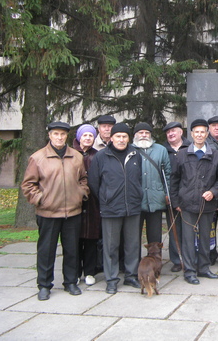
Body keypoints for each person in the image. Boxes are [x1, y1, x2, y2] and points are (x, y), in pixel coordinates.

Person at [21, 121, 89, 301]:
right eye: (56, 134)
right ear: (50, 135)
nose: (59, 137)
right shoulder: (38, 158)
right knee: (46, 251)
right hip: (48, 213)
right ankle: (44, 285)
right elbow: (28, 185)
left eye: (62, 134)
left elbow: (83, 179)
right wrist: (41, 200)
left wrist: (81, 194)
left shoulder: (76, 156)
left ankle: (71, 282)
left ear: (67, 136)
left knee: (72, 250)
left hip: (72, 212)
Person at [170, 119, 218, 285]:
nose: (199, 135)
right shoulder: (182, 154)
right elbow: (174, 180)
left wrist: (214, 192)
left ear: (207, 134)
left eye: (203, 132)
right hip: (187, 204)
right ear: (191, 134)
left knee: (205, 238)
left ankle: (203, 268)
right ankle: (189, 271)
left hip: (206, 204)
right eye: (196, 132)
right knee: (188, 240)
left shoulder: (215, 155)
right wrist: (176, 202)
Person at [88, 123, 143, 294]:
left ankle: (131, 275)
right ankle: (111, 279)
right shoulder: (101, 156)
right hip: (111, 208)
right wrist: (106, 197)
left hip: (133, 206)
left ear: (129, 138)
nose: (121, 139)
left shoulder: (135, 154)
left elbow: (139, 178)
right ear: (111, 138)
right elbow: (94, 182)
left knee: (132, 245)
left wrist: (137, 195)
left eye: (124, 136)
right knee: (111, 246)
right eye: (118, 136)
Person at [132, 122, 171, 245]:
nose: (144, 135)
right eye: (141, 132)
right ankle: (134, 258)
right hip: (135, 200)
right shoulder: (129, 150)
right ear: (135, 135)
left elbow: (168, 174)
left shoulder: (161, 150)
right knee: (133, 238)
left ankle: (154, 256)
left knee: (155, 238)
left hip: (156, 199)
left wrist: (167, 193)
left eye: (147, 133)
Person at [73, 124, 100, 286]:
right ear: (79, 137)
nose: (88, 138)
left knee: (91, 239)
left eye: (91, 136)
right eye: (85, 135)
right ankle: (75, 272)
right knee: (74, 240)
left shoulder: (97, 155)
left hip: (93, 203)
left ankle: (89, 271)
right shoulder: (71, 154)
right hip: (74, 202)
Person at [162, 121, 191, 272]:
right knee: (174, 229)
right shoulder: (162, 150)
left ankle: (190, 257)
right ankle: (177, 260)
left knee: (190, 229)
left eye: (174, 131)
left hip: (189, 195)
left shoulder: (190, 147)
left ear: (181, 132)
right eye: (168, 132)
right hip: (171, 195)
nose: (171, 134)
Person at [206, 115, 218, 264]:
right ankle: (210, 253)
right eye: (214, 126)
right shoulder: (205, 144)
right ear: (209, 128)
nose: (217, 128)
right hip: (211, 192)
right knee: (209, 227)